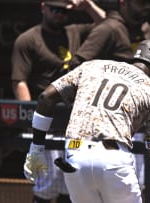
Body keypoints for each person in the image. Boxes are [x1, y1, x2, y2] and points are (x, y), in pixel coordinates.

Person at [22, 39, 150, 203]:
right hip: (113, 159)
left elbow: (46, 98)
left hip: (74, 154)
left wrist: (36, 148)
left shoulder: (93, 66)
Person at [11, 0, 105, 202]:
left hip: (76, 124)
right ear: (43, 7)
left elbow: (112, 26)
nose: (60, 15)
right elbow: (20, 81)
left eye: (64, 11)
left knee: (74, 183)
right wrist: (31, 125)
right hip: (48, 123)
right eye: (55, 9)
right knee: (47, 186)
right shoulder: (28, 39)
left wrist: (88, 5)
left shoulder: (75, 32)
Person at [69, 0, 150, 67]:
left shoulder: (145, 29)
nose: (147, 7)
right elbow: (77, 65)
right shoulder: (109, 29)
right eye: (141, 2)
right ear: (123, 2)